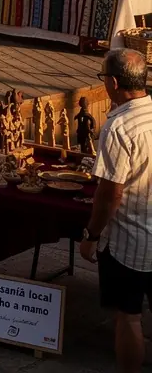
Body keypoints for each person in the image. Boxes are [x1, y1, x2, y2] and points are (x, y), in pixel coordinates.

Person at [80, 49, 152, 373]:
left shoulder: (118, 127)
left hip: (131, 241)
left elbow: (110, 194)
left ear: (112, 82)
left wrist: (91, 235)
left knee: (129, 315)